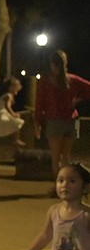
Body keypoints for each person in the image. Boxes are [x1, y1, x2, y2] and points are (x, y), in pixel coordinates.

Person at [35, 49, 90, 177]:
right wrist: (78, 99)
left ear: (52, 64)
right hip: (71, 119)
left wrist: (37, 122)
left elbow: (39, 102)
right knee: (66, 156)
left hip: (55, 120)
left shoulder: (46, 80)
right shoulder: (72, 80)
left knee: (55, 157)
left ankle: (58, 184)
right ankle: (65, 183)